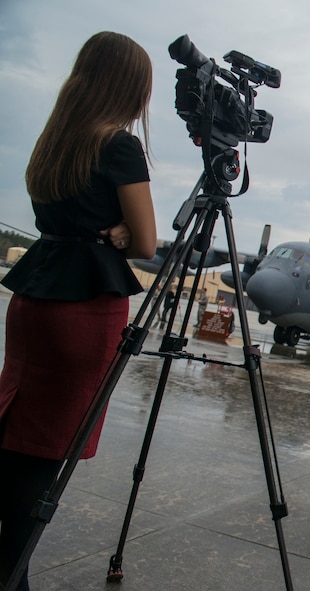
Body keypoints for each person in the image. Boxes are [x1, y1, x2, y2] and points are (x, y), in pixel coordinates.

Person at [0, 32, 156, 591]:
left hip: (35, 298)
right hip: (83, 308)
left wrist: (111, 227)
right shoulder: (118, 145)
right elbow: (145, 241)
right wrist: (119, 230)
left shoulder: (56, 141)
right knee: (47, 451)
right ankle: (11, 572)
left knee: (15, 430)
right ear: (129, 87)